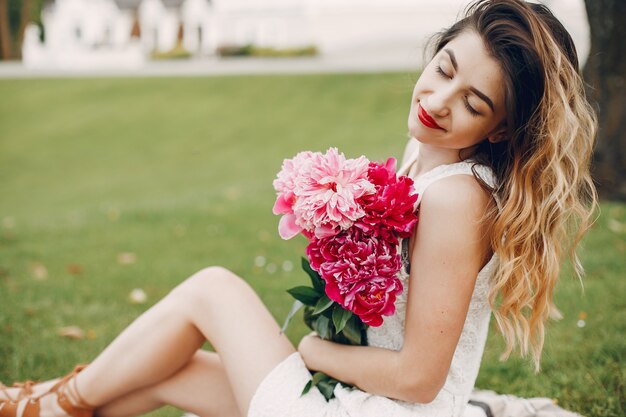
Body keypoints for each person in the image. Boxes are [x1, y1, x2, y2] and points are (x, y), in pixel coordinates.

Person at [0, 1, 597, 417]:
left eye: (472, 102)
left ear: (498, 130)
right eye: (443, 69)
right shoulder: (430, 161)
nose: (438, 101)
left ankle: (46, 403)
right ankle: (48, 406)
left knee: (212, 288)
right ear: (435, 54)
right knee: (171, 371)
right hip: (352, 395)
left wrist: (313, 352)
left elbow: (420, 378)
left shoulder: (458, 198)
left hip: (378, 409)